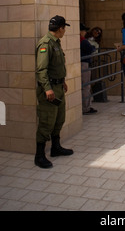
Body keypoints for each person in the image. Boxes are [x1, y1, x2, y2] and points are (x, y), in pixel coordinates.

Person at [35, 15, 74, 169]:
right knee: (46, 122)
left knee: (59, 119)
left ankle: (56, 148)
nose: (64, 31)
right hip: (49, 89)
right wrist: (47, 89)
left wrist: (62, 81)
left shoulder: (56, 43)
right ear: (60, 28)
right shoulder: (46, 44)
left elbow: (56, 67)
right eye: (64, 28)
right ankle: (39, 156)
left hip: (57, 87)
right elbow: (41, 70)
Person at [80, 23, 97, 115]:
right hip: (84, 64)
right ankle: (86, 108)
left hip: (80, 64)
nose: (85, 32)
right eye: (84, 30)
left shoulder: (78, 40)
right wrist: (93, 47)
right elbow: (91, 49)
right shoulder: (83, 41)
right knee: (86, 86)